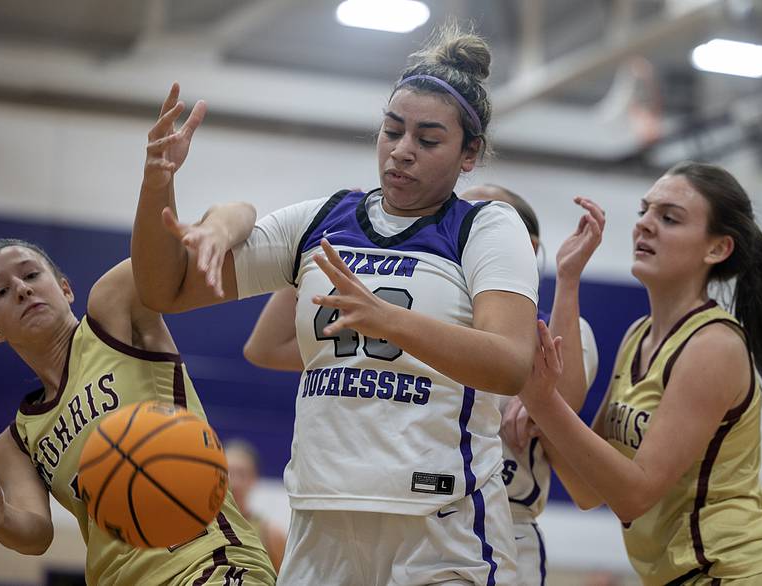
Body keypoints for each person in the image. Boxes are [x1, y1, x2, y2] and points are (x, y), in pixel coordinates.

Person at [132, 23, 541, 585]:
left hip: (442, 521)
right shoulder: (324, 218)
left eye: (427, 140)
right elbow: (164, 290)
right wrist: (158, 184)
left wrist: (389, 321)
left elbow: (510, 361)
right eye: (392, 130)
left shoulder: (485, 227)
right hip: (321, 515)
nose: (401, 151)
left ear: (469, 155)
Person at [243, 183, 605, 586]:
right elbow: (266, 348)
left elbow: (563, 413)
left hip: (501, 519)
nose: (463, 224)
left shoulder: (560, 330)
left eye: (484, 218)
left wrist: (568, 279)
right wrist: (321, 247)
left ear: (523, 245)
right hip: (410, 513)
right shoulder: (418, 321)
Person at [517, 161, 762, 585]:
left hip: (731, 574)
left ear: (717, 249)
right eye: (645, 210)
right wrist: (568, 279)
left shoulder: (713, 346)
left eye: (669, 217)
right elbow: (590, 490)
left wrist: (542, 403)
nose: (643, 224)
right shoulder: (637, 335)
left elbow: (633, 495)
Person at [0, 232, 276, 582]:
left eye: (31, 274)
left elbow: (193, 249)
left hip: (206, 561)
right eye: (0, 291)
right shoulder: (15, 442)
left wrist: (224, 215)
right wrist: (0, 517)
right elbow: (36, 535)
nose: (21, 289)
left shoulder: (112, 309)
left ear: (65, 289)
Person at [225, 438, 287, 573]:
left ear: (254, 479)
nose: (235, 482)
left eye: (242, 474)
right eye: (228, 473)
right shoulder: (203, 528)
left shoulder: (271, 534)